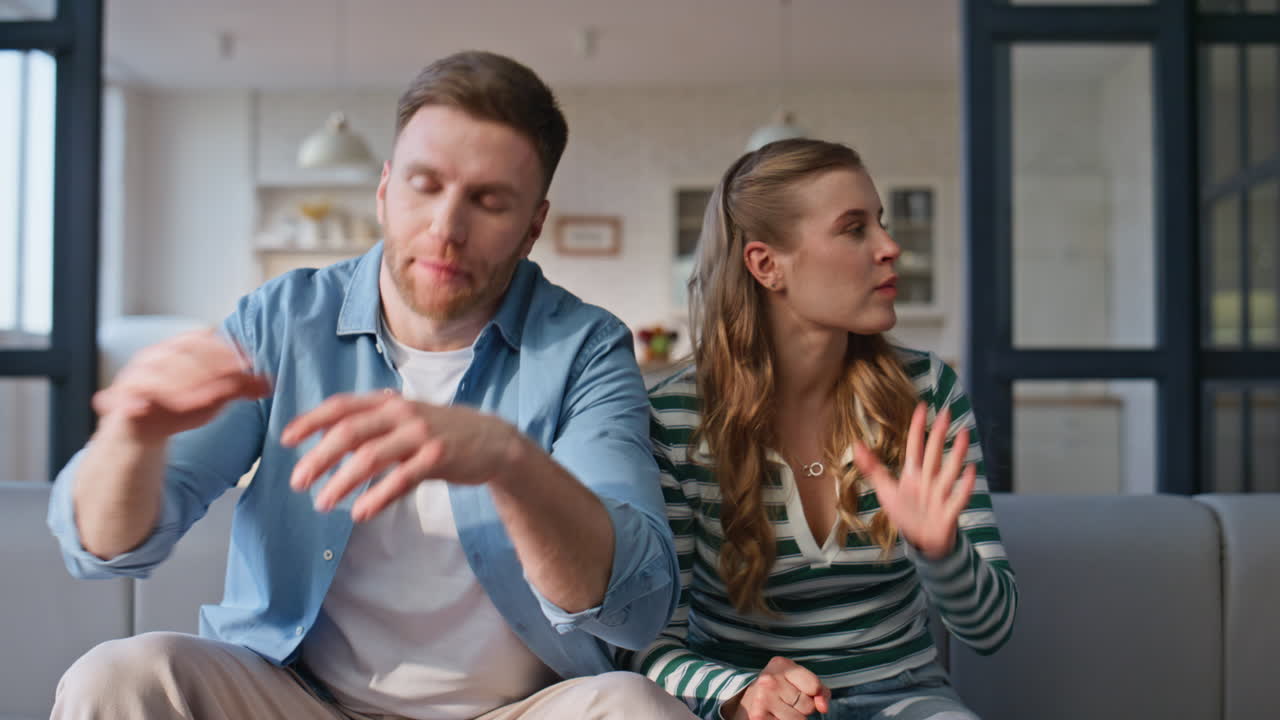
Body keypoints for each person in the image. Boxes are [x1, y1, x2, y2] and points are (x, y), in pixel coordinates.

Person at [47, 51, 695, 720]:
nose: (446, 228)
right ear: (385, 189)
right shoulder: (283, 320)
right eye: (424, 185)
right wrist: (131, 438)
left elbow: (633, 609)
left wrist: (510, 462)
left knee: (634, 707)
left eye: (489, 200)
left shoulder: (585, 347)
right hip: (294, 699)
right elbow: (101, 551)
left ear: (533, 224)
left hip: (517, 709)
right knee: (116, 677)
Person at [628, 139, 1018, 720]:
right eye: (854, 228)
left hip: (907, 695)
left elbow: (990, 630)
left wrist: (941, 553)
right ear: (766, 265)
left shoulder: (926, 391)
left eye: (880, 223)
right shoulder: (673, 418)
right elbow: (649, 643)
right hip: (760, 704)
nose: (891, 248)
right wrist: (738, 693)